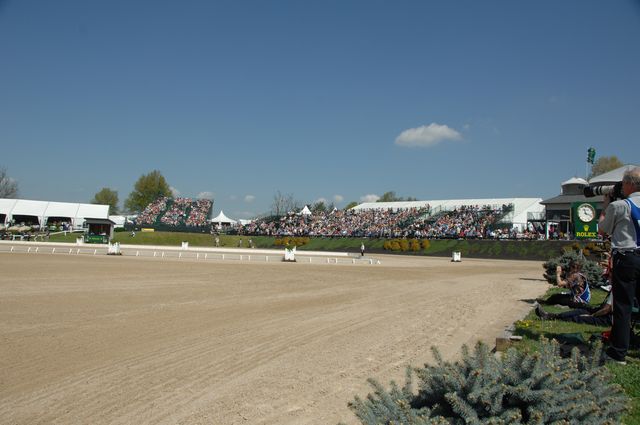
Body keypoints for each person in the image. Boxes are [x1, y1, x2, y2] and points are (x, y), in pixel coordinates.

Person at [599, 166, 640, 364]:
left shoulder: (621, 206)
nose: (622, 186)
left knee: (623, 306)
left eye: (624, 183)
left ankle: (618, 353)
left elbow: (603, 230)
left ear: (631, 184)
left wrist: (605, 207)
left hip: (627, 258)